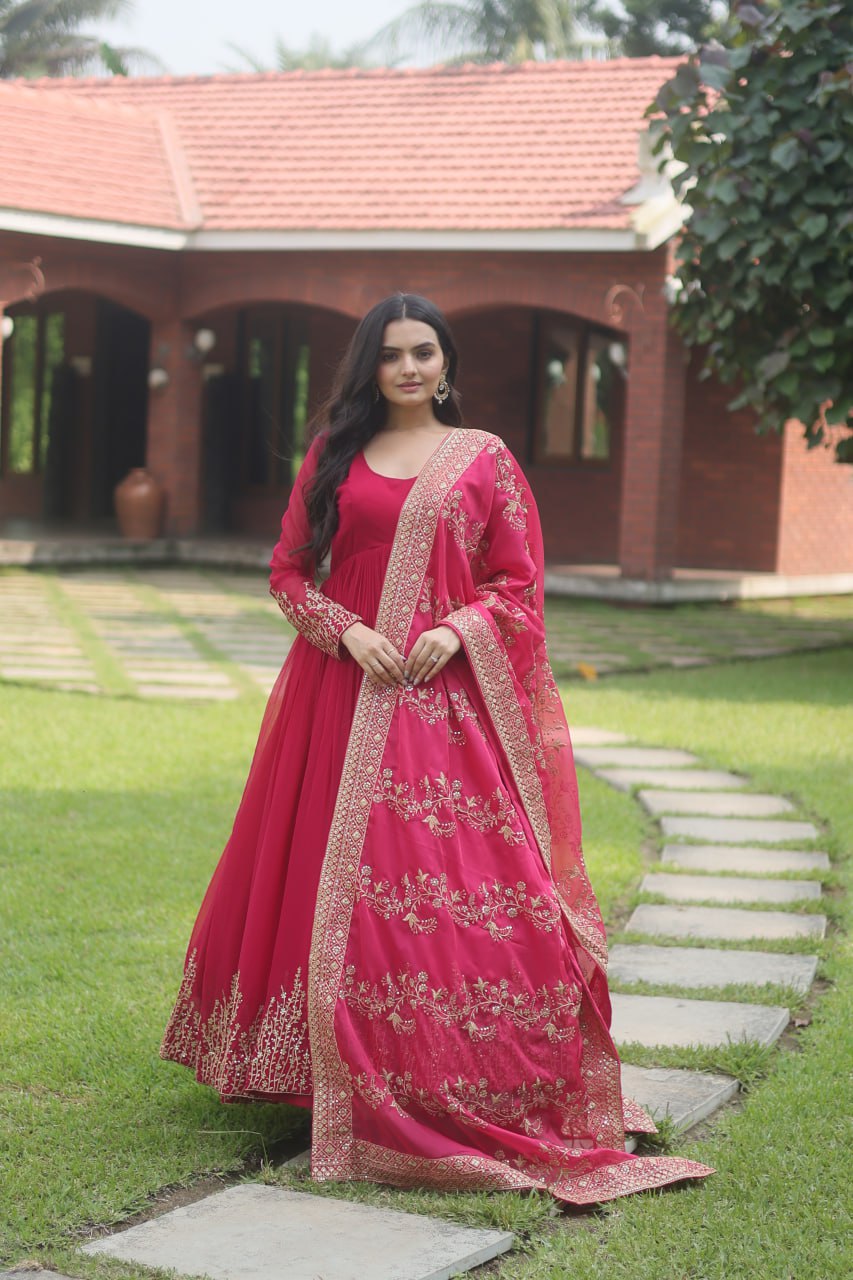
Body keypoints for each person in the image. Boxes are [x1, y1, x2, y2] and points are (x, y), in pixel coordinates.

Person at [161, 293, 712, 1205]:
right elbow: (288, 571)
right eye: (390, 355)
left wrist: (456, 630)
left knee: (453, 889)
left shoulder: (483, 459)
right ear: (367, 368)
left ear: (446, 363)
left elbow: (516, 583)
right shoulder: (334, 454)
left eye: (423, 352)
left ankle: (464, 1074)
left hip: (445, 709)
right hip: (339, 695)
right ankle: (319, 1070)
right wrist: (345, 631)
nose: (408, 368)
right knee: (319, 877)